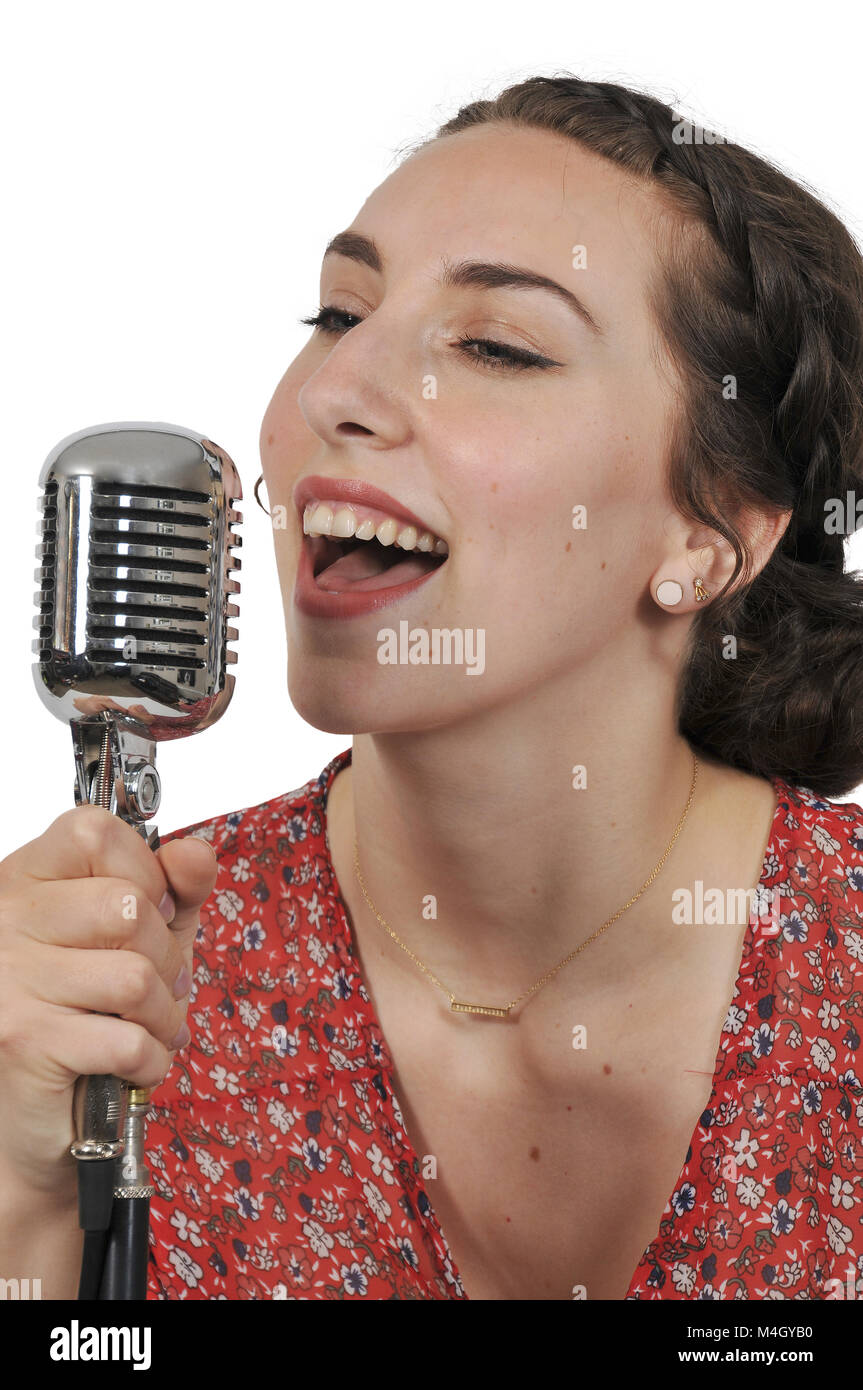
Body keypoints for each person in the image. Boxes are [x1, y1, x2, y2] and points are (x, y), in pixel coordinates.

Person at [2, 72, 863, 1301]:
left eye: (495, 346)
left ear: (709, 535)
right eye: (338, 314)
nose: (333, 394)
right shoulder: (116, 991)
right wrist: (27, 1219)